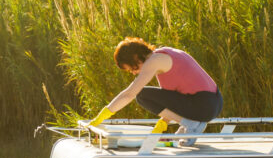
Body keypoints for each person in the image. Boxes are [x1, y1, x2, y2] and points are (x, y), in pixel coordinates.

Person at [86, 37, 223, 146]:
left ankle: (191, 124)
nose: (134, 73)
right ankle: (191, 123)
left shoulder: (154, 61)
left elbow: (129, 94)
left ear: (135, 58)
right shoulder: (164, 55)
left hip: (203, 104)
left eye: (132, 68)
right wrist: (160, 128)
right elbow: (171, 104)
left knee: (141, 95)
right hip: (213, 103)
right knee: (145, 95)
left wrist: (101, 116)